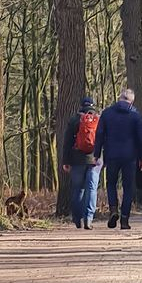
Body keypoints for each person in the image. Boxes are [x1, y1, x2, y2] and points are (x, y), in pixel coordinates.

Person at [94, 89, 142, 230]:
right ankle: (124, 219)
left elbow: (99, 134)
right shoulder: (136, 116)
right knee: (128, 187)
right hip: (130, 157)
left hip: (111, 155)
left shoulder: (107, 113)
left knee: (111, 183)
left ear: (119, 98)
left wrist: (96, 154)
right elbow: (141, 139)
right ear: (132, 101)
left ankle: (113, 209)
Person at [60, 96, 102, 230]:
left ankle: (77, 219)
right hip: (95, 159)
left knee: (78, 189)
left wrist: (66, 161)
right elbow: (104, 140)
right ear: (93, 106)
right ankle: (89, 218)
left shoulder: (75, 120)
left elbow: (67, 142)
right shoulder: (99, 120)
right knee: (92, 189)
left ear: (81, 106)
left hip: (77, 159)